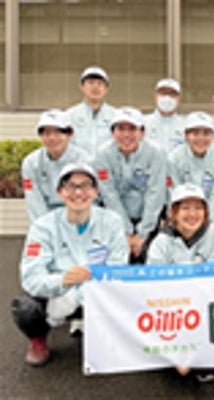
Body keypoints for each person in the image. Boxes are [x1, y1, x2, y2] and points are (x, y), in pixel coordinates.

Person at [11, 163, 129, 366]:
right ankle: (38, 341)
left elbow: (117, 269)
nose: (78, 192)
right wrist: (62, 281)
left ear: (96, 191)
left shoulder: (112, 222)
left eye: (85, 185)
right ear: (60, 192)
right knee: (25, 308)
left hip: (97, 294)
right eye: (71, 186)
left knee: (131, 293)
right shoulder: (43, 227)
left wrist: (74, 298)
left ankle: (103, 330)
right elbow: (30, 277)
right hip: (56, 295)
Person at [147, 183, 214, 383]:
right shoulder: (161, 242)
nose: (192, 214)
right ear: (173, 212)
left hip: (204, 303)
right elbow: (154, 285)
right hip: (172, 307)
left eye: (198, 208)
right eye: (185, 208)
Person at [93, 107, 167, 263]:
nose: (126, 135)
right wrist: (125, 232)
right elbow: (109, 195)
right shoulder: (102, 155)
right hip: (115, 218)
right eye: (121, 129)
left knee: (149, 259)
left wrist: (142, 233)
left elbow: (155, 194)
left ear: (142, 132)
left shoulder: (156, 153)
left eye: (132, 129)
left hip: (148, 218)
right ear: (112, 132)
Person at [22, 109, 89, 222]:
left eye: (58, 132)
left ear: (70, 134)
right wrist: (44, 228)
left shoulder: (84, 160)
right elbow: (34, 201)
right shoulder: (31, 162)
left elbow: (88, 198)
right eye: (47, 133)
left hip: (79, 217)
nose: (52, 138)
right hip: (45, 220)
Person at [167, 111, 214, 226]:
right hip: (181, 221)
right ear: (186, 135)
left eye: (206, 133)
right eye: (195, 133)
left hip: (210, 220)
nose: (201, 139)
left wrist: (208, 228)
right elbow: (174, 197)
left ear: (213, 136)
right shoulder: (174, 159)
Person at [67, 66, 116, 157]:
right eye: (91, 83)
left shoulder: (116, 116)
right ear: (82, 86)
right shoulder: (69, 115)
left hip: (106, 165)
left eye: (100, 83)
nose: (95, 87)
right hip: (78, 164)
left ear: (106, 88)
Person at [144, 78, 185, 152]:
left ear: (179, 99)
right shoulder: (143, 123)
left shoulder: (185, 126)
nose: (167, 98)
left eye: (172, 94)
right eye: (163, 93)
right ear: (155, 96)